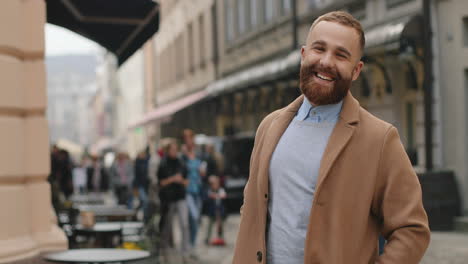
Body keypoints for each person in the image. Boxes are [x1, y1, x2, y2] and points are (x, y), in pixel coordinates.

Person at [232, 11, 430, 264]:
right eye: (319, 48)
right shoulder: (269, 127)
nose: (326, 61)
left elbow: (412, 229)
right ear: (303, 55)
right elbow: (252, 210)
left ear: (356, 70)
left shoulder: (380, 139)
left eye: (341, 54)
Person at [157, 141, 191, 263]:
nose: (175, 151)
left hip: (181, 197)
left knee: (185, 225)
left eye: (176, 149)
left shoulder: (181, 163)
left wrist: (181, 180)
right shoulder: (163, 163)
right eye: (173, 149)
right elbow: (160, 183)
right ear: (168, 150)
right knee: (167, 227)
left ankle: (185, 253)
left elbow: (187, 182)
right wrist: (172, 179)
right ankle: (164, 252)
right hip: (168, 199)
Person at [181, 129, 203, 249]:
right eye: (186, 138)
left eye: (190, 137)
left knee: (196, 219)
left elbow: (202, 168)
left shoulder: (198, 152)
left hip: (198, 190)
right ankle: (188, 245)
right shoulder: (182, 155)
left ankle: (192, 245)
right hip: (187, 191)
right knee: (193, 217)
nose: (189, 140)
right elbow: (181, 170)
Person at [204, 175, 226, 246]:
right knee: (210, 225)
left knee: (220, 225)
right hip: (212, 211)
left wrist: (216, 195)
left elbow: (224, 195)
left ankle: (221, 238)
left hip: (219, 211)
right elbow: (209, 196)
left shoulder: (221, 190)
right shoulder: (209, 190)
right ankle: (207, 238)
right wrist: (215, 196)